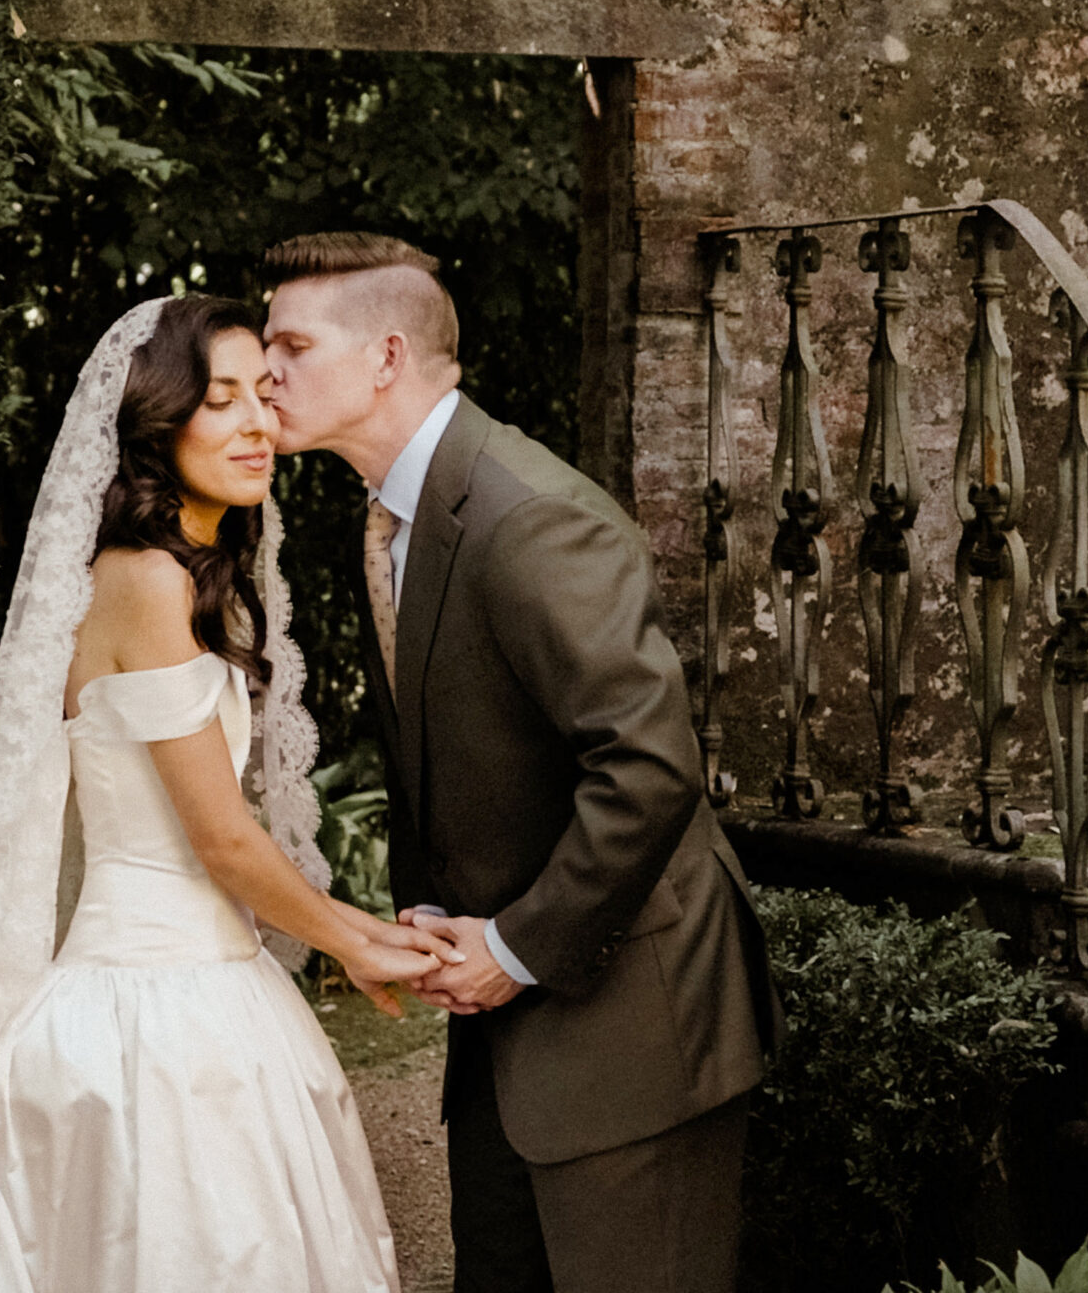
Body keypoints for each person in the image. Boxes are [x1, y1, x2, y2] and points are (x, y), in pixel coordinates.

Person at [0, 294, 451, 1293]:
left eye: (263, 396)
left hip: (200, 984)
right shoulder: (141, 581)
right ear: (156, 420)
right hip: (150, 1018)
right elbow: (220, 841)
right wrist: (353, 938)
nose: (258, 424)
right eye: (221, 401)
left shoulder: (173, 576)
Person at [260, 233, 783, 1293]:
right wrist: (435, 915)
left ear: (386, 356)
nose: (264, 372)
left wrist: (515, 945)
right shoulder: (394, 516)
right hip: (510, 1047)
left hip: (631, 1026)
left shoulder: (529, 517)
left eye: (290, 345)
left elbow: (647, 767)